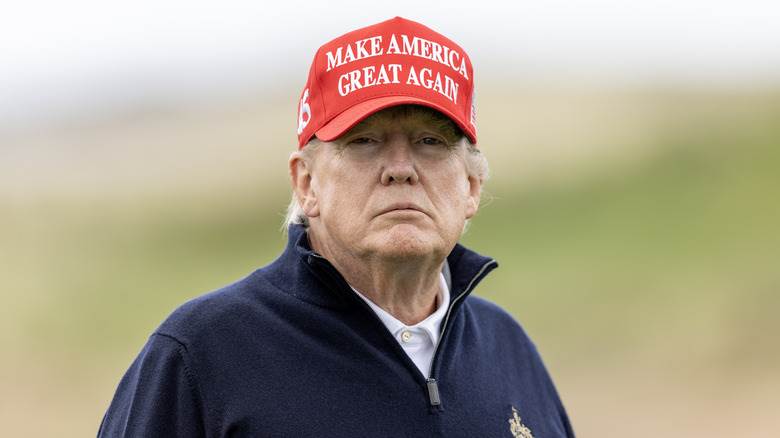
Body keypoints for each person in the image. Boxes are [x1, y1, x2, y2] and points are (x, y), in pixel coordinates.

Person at [98, 17, 575, 437]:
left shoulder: (507, 348)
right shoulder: (202, 355)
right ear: (307, 183)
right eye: (364, 141)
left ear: (471, 186)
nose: (400, 169)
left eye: (431, 141)